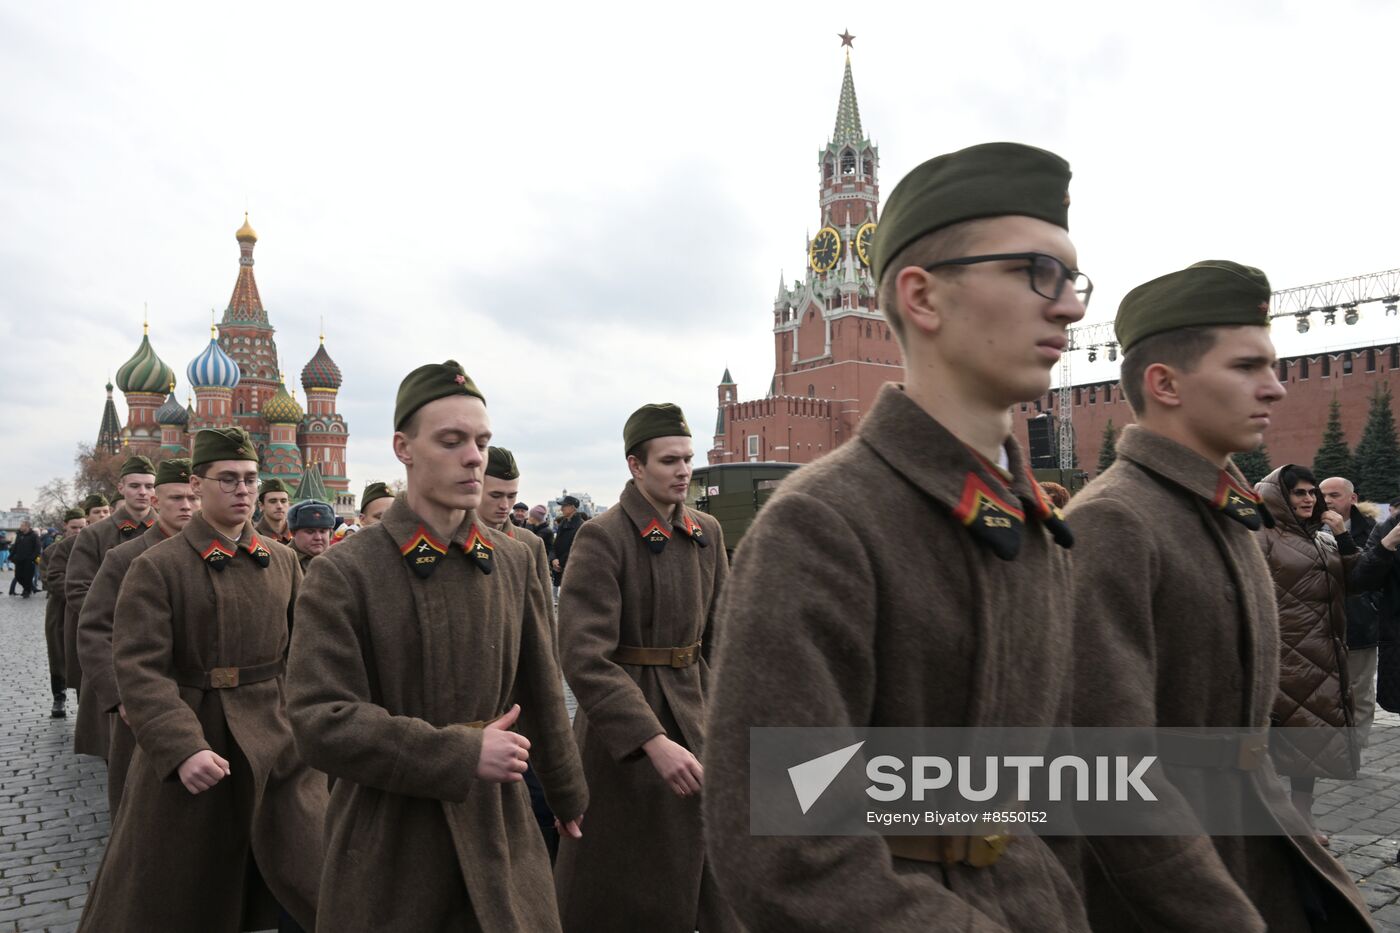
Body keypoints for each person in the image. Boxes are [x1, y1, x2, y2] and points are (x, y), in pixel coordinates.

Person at [704, 143, 1091, 930]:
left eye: (1072, 278)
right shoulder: (820, 526)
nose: (1070, 307)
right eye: (1033, 272)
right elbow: (785, 842)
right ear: (918, 296)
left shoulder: (1033, 523)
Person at [1065, 260, 1370, 929]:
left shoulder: (1220, 508)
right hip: (1173, 890)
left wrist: (1284, 825)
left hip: (1249, 840)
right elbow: (1104, 773)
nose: (1277, 389)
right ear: (1165, 382)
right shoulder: (1115, 521)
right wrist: (1214, 908)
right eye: (1246, 367)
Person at [286, 361, 586, 931]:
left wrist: (568, 793)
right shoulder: (346, 572)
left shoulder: (513, 557)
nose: (474, 456)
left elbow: (541, 687)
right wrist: (459, 754)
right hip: (391, 838)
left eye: (481, 441)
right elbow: (318, 719)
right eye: (451, 441)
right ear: (404, 447)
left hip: (501, 827)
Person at [76, 429, 324, 933]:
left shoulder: (281, 562)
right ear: (197, 484)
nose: (242, 490)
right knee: (181, 892)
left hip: (278, 747)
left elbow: (304, 655)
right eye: (227, 479)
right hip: (198, 737)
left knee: (312, 874)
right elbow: (140, 668)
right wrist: (180, 746)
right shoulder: (157, 566)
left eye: (250, 479)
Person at [554, 403, 736, 932]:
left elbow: (724, 635)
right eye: (669, 460)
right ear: (636, 466)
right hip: (627, 741)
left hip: (698, 711)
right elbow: (585, 657)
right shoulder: (603, 536)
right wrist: (650, 740)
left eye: (688, 458)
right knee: (630, 886)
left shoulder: (707, 532)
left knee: (714, 876)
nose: (684, 470)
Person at [76, 458, 200, 814]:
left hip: (197, 698)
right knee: (144, 806)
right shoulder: (124, 557)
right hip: (144, 699)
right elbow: (94, 628)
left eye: (192, 498)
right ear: (158, 502)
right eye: (176, 498)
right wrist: (122, 697)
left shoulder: (214, 555)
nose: (187, 506)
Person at [1256, 464, 1362, 839]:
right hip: (1280, 654)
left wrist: (1341, 535)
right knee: (1266, 738)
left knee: (1310, 737)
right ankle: (1266, 813)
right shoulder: (1262, 535)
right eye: (1299, 493)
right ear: (1280, 497)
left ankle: (1302, 815)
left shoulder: (1321, 537)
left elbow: (1355, 580)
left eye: (1312, 492)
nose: (1308, 499)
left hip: (1322, 652)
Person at [482, 446, 561, 860]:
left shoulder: (527, 543)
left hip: (520, 686)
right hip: (480, 695)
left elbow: (541, 616)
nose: (506, 506)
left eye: (511, 497)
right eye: (496, 496)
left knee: (539, 798)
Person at [65, 457, 157, 708]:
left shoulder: (170, 531)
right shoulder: (94, 535)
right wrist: (119, 616)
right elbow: (77, 589)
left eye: (149, 486)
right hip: (112, 639)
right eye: (135, 486)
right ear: (121, 488)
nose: (143, 492)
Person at [1321, 476, 1382, 747]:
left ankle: (1353, 750)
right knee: (1323, 691)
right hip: (1317, 626)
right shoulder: (1304, 528)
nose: (1327, 501)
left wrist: (1371, 607)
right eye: (1322, 495)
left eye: (1335, 495)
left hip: (1359, 624)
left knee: (1359, 692)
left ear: (1353, 499)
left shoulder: (1372, 530)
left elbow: (1383, 575)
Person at [40, 509, 87, 717]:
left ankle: (82, 701)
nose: (78, 532)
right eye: (74, 527)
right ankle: (58, 698)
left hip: (85, 610)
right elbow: (48, 579)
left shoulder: (90, 547)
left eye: (82, 527)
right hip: (59, 610)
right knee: (58, 653)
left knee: (81, 655)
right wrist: (76, 590)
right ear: (65, 527)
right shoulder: (51, 551)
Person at [286, 500, 334, 573]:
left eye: (322, 531)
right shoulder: (283, 560)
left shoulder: (338, 561)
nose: (318, 537)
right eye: (310, 532)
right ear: (293, 533)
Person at [551, 496, 585, 590]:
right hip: (560, 567)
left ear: (573, 507)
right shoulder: (563, 523)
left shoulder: (581, 526)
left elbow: (576, 549)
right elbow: (555, 544)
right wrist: (553, 559)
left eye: (564, 506)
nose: (561, 508)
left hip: (571, 570)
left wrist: (560, 563)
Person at [255, 478, 294, 545]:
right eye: (273, 501)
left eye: (283, 501)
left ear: (289, 504)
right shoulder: (253, 537)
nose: (279, 506)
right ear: (261, 505)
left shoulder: (298, 535)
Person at [8, 520, 40, 598]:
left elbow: (37, 548)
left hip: (29, 560)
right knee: (18, 576)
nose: (20, 527)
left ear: (27, 526)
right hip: (19, 559)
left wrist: (32, 558)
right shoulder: (19, 535)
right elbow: (15, 546)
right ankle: (28, 588)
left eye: (22, 525)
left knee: (28, 577)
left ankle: (27, 591)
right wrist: (11, 556)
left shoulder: (33, 535)